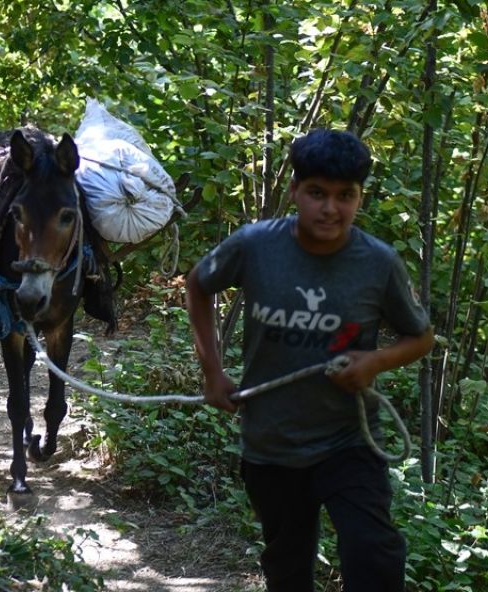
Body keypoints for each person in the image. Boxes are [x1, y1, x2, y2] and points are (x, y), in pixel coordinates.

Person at [185, 128, 434, 592]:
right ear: (295, 190)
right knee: (287, 564)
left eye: (346, 195)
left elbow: (420, 338)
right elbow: (197, 284)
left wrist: (375, 361)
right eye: (317, 193)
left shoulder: (378, 264)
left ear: (360, 198)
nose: (330, 208)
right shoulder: (255, 245)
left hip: (349, 441)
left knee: (372, 553)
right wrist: (212, 372)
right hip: (271, 443)